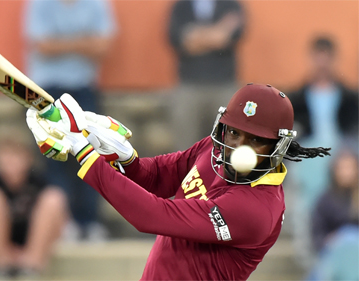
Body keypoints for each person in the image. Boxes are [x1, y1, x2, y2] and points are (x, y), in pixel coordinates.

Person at [25, 84, 331, 280]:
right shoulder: (214, 149)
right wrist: (122, 158)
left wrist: (84, 152)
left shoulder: (256, 209)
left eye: (255, 140)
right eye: (234, 132)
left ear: (278, 148)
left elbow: (151, 215)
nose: (238, 146)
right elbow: (155, 178)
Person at [23, 0, 116, 240]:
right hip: (46, 91)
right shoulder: (40, 4)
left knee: (92, 154)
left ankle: (90, 221)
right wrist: (83, 42)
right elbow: (42, 46)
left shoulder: (97, 4)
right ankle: (64, 223)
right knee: (54, 156)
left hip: (84, 89)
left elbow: (103, 47)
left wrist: (60, 43)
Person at [286, 36, 358, 269]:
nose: (322, 63)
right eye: (318, 57)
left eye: (327, 58)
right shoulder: (295, 99)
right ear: (312, 59)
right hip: (309, 161)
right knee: (301, 199)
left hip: (343, 158)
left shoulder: (350, 99)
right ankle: (311, 256)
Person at [0, 133, 68, 278]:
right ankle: (2, 265)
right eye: (5, 157)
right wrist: (7, 251)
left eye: (15, 157)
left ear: (27, 159)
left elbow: (59, 221)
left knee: (54, 198)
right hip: (3, 243)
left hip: (33, 241)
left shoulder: (39, 182)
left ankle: (31, 266)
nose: (9, 162)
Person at [168, 0, 245, 151]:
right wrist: (217, 31)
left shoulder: (231, 5)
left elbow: (225, 38)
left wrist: (195, 36)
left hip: (224, 85)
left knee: (229, 144)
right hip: (189, 86)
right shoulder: (180, 7)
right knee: (186, 146)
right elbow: (180, 41)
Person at [311, 148, 358, 253]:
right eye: (343, 168)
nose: (346, 173)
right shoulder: (325, 200)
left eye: (350, 168)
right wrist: (331, 241)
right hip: (334, 255)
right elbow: (317, 235)